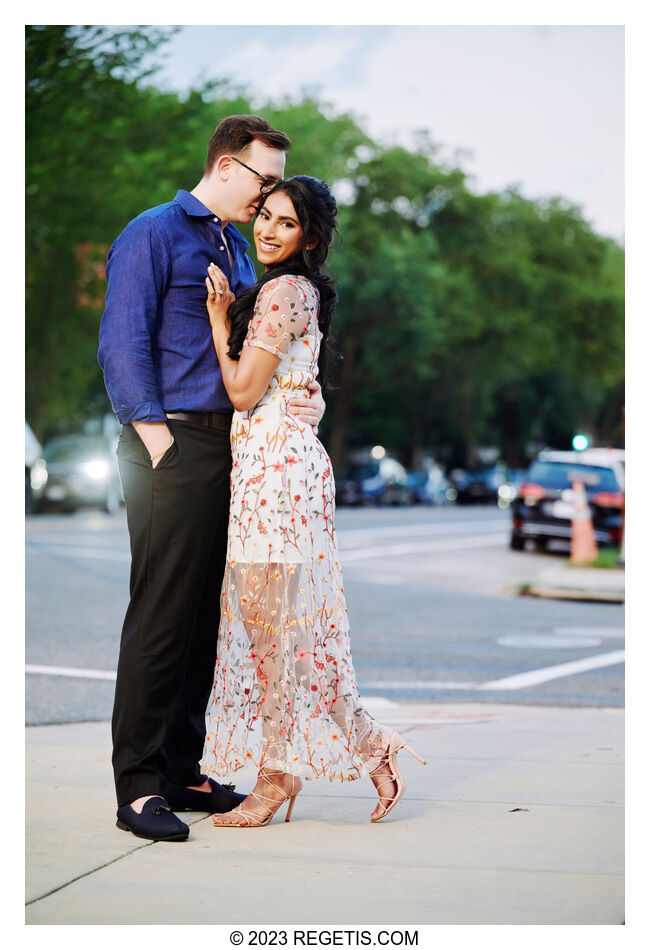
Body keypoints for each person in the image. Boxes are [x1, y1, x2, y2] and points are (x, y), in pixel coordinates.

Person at [98, 116, 326, 843]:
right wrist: (159, 440)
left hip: (228, 448)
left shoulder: (233, 244)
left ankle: (179, 769)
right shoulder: (154, 231)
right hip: (172, 444)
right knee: (162, 615)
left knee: (202, 621)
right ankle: (136, 788)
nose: (266, 203)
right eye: (263, 184)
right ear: (227, 167)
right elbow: (122, 341)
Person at [201, 176, 426, 828]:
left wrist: (219, 321)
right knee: (285, 639)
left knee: (274, 640)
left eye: (285, 222)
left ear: (311, 238)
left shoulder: (284, 290)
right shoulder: (291, 290)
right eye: (264, 216)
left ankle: (277, 778)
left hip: (278, 482)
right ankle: (369, 744)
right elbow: (287, 386)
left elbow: (243, 392)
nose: (268, 229)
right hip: (269, 475)